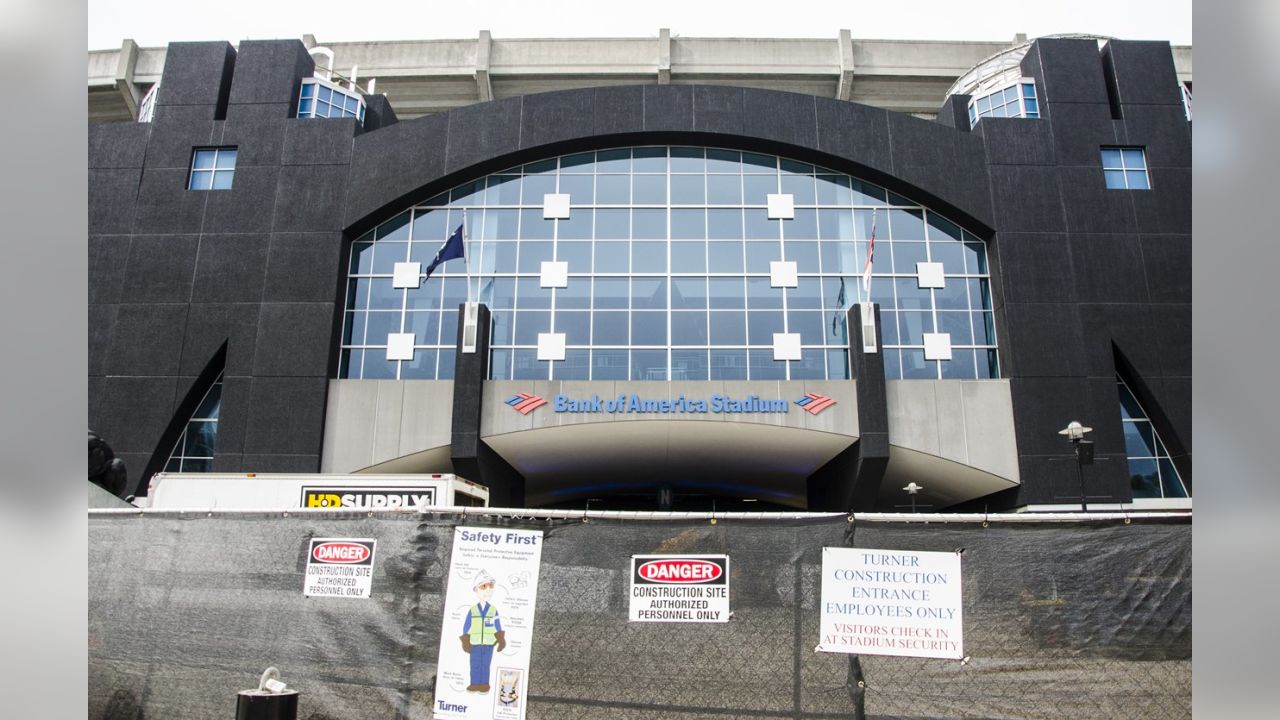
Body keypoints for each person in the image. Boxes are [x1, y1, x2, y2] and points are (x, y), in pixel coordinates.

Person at [459, 571, 506, 692]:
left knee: (485, 664)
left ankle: (484, 684)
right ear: (476, 590)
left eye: (491, 586)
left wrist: (501, 640)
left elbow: (497, 625)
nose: (488, 590)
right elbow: (466, 626)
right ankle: (475, 684)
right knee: (475, 664)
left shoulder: (493, 610)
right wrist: (465, 641)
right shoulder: (473, 610)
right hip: (475, 643)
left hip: (489, 644)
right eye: (484, 586)